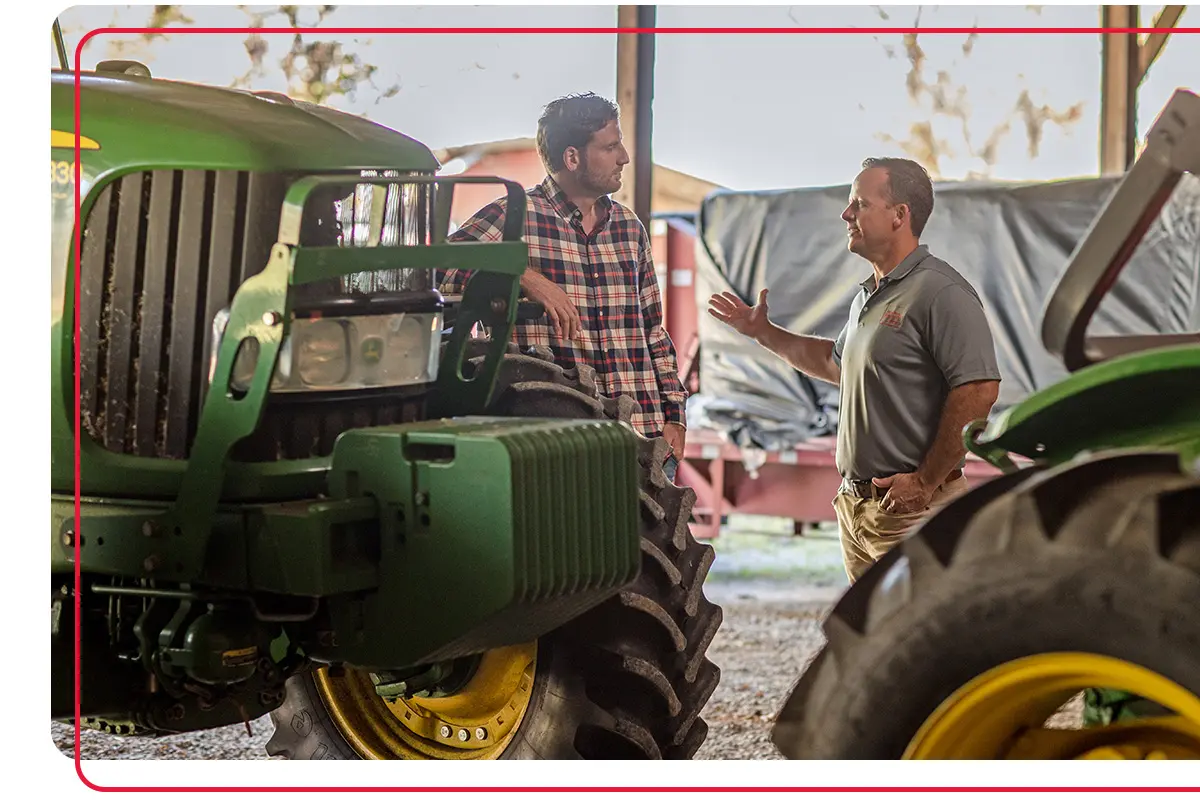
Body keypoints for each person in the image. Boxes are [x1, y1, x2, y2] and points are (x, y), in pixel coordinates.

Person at [707, 157, 1001, 583]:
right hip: (862, 511)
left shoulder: (941, 292)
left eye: (860, 204)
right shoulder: (868, 296)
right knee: (878, 643)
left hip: (912, 512)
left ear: (900, 215)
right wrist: (762, 332)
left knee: (917, 642)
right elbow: (835, 364)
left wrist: (924, 481)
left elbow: (978, 389)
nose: (847, 215)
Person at [439, 92, 688, 480]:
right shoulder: (511, 217)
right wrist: (522, 274)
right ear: (572, 158)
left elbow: (654, 330)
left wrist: (675, 415)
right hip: (558, 444)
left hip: (644, 435)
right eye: (610, 146)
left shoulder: (629, 228)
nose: (624, 156)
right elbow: (436, 267)